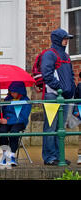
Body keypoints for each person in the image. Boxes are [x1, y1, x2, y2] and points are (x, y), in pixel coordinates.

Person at [40, 28, 76, 165]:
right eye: (65, 38)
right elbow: (47, 75)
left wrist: (71, 88)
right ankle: (49, 158)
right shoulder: (50, 54)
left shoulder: (66, 56)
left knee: (60, 128)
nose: (66, 41)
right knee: (50, 127)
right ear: (57, 39)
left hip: (65, 96)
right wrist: (60, 88)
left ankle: (59, 156)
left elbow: (71, 74)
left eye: (67, 38)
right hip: (52, 95)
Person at [0, 81, 32, 167]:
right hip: (7, 121)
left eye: (14, 92)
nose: (12, 94)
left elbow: (23, 117)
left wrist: (8, 121)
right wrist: (1, 118)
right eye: (11, 92)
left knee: (14, 132)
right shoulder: (7, 99)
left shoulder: (26, 101)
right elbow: (4, 111)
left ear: (20, 91)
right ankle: (5, 154)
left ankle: (12, 155)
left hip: (19, 122)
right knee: (2, 131)